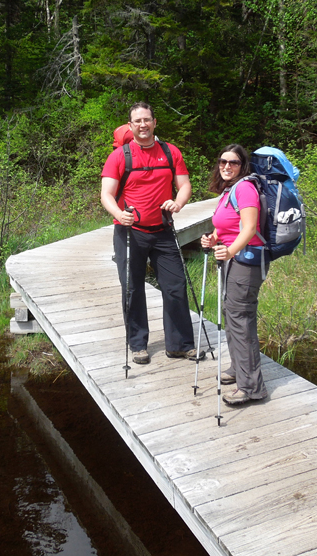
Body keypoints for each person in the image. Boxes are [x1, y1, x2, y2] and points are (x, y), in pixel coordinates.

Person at [100, 102, 195, 365]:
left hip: (163, 231)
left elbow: (184, 185)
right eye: (137, 121)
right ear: (130, 126)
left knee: (175, 286)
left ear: (155, 122)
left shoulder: (170, 152)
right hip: (130, 232)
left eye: (147, 120)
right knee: (132, 289)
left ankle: (180, 344)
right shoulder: (120, 156)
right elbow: (106, 194)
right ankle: (138, 344)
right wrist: (119, 214)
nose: (143, 125)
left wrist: (178, 203)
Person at [200, 144, 268, 405]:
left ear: (243, 165)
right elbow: (226, 227)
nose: (226, 166)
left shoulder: (245, 188)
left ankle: (252, 388)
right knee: (232, 313)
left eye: (234, 162)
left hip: (246, 261)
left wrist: (229, 252)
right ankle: (238, 369)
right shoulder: (229, 191)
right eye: (222, 161)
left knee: (241, 319)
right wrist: (213, 239)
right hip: (235, 259)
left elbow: (250, 229)